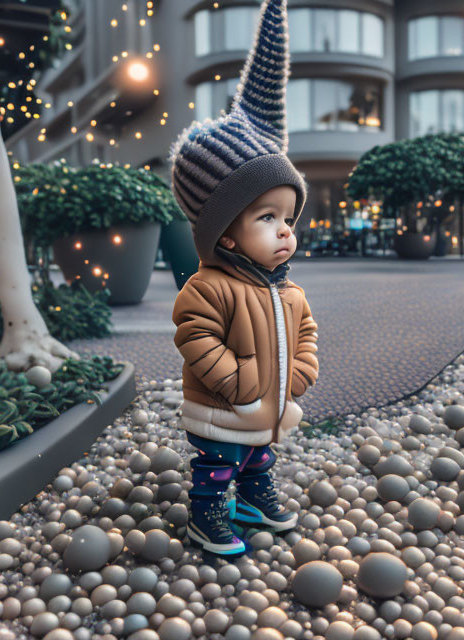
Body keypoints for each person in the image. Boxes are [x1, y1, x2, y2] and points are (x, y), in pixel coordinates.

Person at [169, 0, 319, 556]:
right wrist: (233, 379)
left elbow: (306, 334)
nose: (285, 231)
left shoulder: (288, 290)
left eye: (288, 218)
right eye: (267, 218)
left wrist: (301, 369)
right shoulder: (210, 287)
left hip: (269, 404)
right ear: (224, 234)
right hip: (224, 405)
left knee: (259, 454)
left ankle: (255, 496)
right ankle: (207, 514)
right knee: (218, 461)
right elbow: (194, 336)